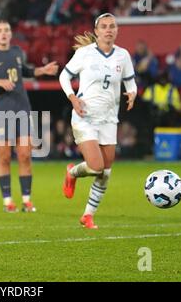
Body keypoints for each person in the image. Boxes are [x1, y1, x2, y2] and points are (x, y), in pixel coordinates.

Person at [59, 13, 137, 229]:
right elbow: (64, 76)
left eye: (112, 26)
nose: (108, 29)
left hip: (109, 119)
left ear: (117, 30)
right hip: (85, 117)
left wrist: (132, 93)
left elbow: (130, 82)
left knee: (106, 171)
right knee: (95, 166)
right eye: (104, 26)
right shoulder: (84, 54)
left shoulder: (123, 56)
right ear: (96, 31)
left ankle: (88, 215)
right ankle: (72, 172)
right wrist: (72, 97)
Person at [0, 19, 58, 213]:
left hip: (22, 108)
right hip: (0, 110)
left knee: (25, 155)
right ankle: (8, 201)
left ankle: (27, 200)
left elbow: (26, 71)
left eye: (6, 30)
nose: (3, 33)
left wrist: (42, 71)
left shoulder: (17, 52)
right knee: (4, 157)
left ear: (11, 34)